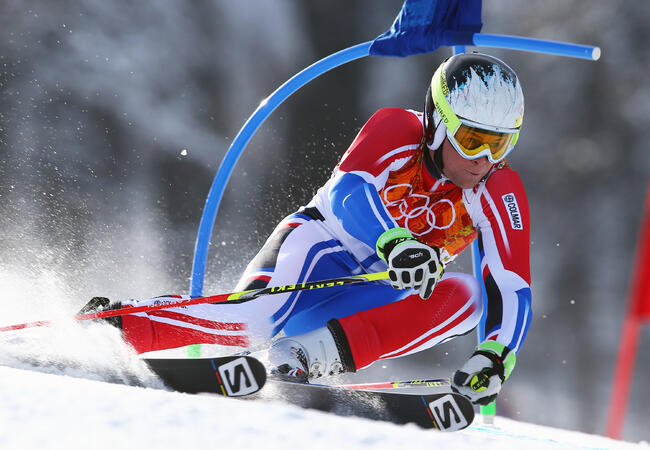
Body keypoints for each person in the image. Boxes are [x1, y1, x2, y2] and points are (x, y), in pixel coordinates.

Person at [93, 52, 532, 407]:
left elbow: (512, 284)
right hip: (317, 249)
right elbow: (348, 193)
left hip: (371, 290)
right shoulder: (397, 129)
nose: (484, 159)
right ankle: (119, 324)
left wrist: (497, 355)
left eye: (500, 143)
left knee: (469, 299)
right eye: (472, 140)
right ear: (438, 124)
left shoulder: (500, 190)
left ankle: (301, 357)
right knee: (253, 322)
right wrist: (396, 242)